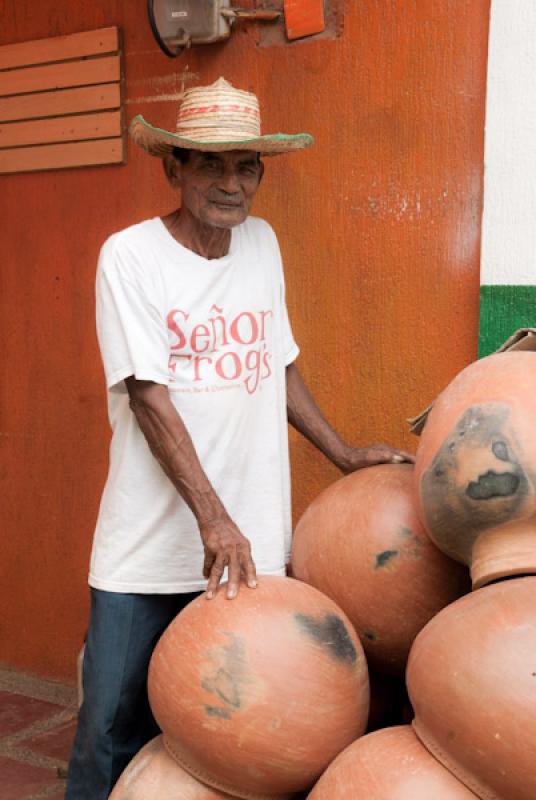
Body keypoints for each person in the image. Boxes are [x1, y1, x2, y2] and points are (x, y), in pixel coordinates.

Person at [65, 77, 413, 799]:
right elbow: (148, 394)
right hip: (153, 545)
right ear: (174, 167)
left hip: (248, 545)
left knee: (248, 727)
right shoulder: (129, 257)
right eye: (212, 164)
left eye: (247, 165)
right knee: (110, 725)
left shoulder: (261, 244)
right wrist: (214, 519)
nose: (233, 183)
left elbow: (276, 362)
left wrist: (343, 452)